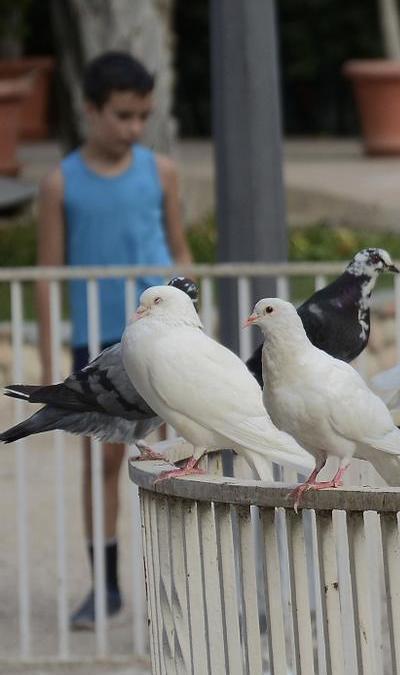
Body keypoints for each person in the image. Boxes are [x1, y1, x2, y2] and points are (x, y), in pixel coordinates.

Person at [34, 51, 193, 629]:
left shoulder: (162, 171)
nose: (133, 128)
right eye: (123, 115)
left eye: (142, 116)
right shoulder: (60, 183)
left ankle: (182, 581)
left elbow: (178, 249)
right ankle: (105, 586)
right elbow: (49, 276)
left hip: (165, 339)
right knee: (100, 464)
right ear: (91, 110)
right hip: (100, 343)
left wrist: (195, 320)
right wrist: (52, 356)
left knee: (178, 452)